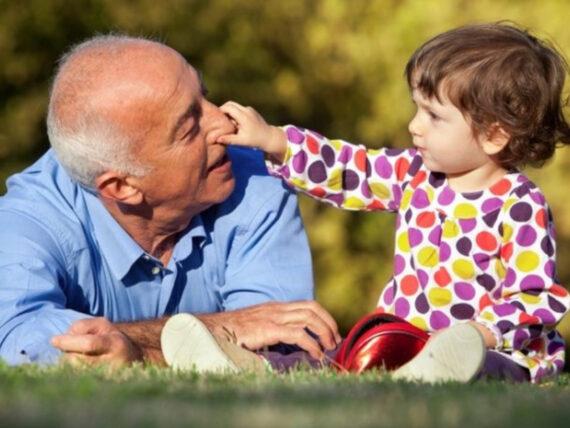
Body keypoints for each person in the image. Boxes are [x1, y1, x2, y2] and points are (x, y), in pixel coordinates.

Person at [201, 23, 570, 383]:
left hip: (496, 350)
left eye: (434, 116)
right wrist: (276, 140)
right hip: (404, 339)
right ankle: (245, 363)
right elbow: (350, 169)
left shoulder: (520, 204)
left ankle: (448, 367)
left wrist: (481, 334)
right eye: (417, 108)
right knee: (336, 354)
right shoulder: (414, 174)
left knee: (488, 368)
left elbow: (535, 299)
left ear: (494, 135)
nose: (415, 126)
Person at [0, 35, 341, 367]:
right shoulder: (29, 220)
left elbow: (282, 350)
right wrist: (216, 329)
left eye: (204, 96)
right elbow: (17, 342)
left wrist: (135, 350)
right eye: (189, 127)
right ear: (121, 187)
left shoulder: (257, 179)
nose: (224, 123)